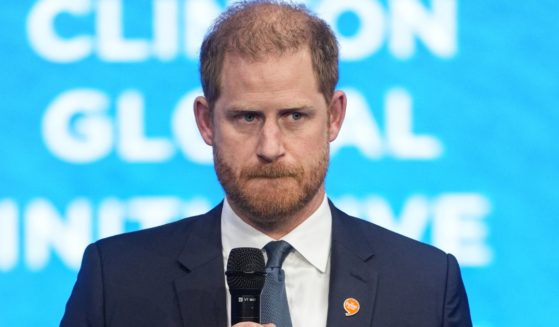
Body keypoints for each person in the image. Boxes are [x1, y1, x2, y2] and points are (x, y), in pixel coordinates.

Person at [61, 1, 472, 326]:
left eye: (294, 116)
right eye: (247, 117)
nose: (270, 147)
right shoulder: (117, 281)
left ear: (334, 117)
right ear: (206, 121)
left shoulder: (425, 284)